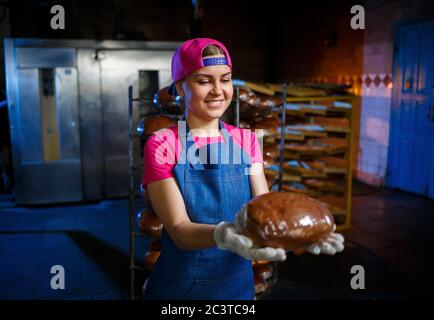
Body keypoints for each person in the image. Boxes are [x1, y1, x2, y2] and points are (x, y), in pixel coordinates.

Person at [141, 38, 344, 300]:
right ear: (181, 87)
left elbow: (264, 210)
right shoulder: (162, 144)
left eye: (225, 80)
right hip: (182, 287)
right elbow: (180, 230)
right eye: (204, 81)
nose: (218, 90)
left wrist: (302, 235)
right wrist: (224, 235)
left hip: (237, 287)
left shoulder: (247, 140)